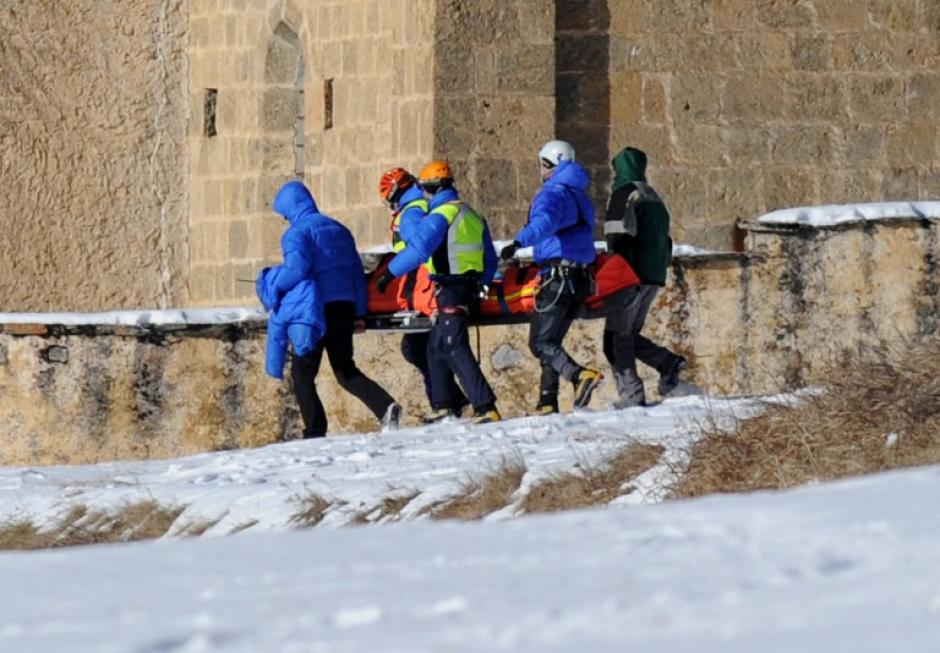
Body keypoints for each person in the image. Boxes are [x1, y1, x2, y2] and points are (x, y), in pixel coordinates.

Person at [267, 180, 401, 437]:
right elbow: (356, 275)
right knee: (344, 368)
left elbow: (295, 269)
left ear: (290, 210)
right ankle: (385, 406)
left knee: (303, 373)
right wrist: (359, 313)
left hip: (314, 311)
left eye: (284, 215)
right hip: (344, 307)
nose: (285, 220)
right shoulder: (340, 229)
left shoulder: (296, 234)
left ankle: (315, 430)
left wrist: (275, 285)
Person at [375, 162, 501, 424]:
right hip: (470, 286)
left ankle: (485, 406)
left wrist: (389, 274)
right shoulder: (470, 213)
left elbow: (419, 250)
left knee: (455, 346)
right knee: (434, 346)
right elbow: (489, 256)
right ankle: (445, 406)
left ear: (430, 188)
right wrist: (484, 283)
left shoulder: (439, 216)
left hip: (450, 287)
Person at [500, 140, 602, 414]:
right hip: (579, 278)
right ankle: (547, 401)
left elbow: (544, 223)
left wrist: (518, 242)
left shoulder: (553, 194)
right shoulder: (578, 195)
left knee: (540, 343)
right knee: (551, 342)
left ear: (549, 165)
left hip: (559, 277)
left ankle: (580, 376)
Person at [377, 167, 468, 415]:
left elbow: (418, 248)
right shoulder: (423, 206)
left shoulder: (411, 213)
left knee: (424, 348)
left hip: (424, 289)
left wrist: (389, 274)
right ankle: (450, 402)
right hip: (429, 285)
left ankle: (448, 404)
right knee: (422, 347)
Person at [601, 146, 686, 408]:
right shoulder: (653, 195)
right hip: (654, 274)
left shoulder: (625, 192)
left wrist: (616, 270)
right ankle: (667, 363)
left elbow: (616, 234)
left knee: (616, 338)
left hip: (630, 275)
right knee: (627, 334)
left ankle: (632, 396)